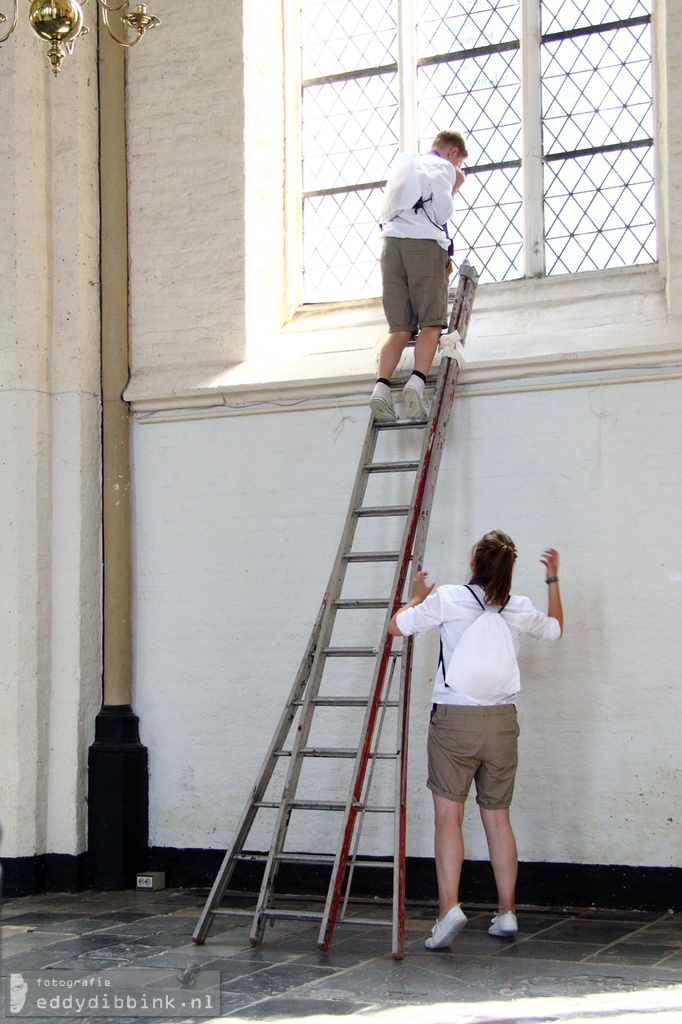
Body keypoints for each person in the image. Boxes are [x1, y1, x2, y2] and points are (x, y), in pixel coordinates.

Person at [388, 530, 563, 949]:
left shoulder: (449, 597)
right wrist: (553, 580)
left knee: (449, 818)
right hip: (502, 723)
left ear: (474, 563)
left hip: (454, 721)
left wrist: (415, 595)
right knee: (498, 818)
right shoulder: (516, 607)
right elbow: (556, 629)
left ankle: (449, 911)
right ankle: (506, 912)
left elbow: (396, 628)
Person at [370, 129, 468, 423]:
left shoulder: (405, 161)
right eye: (459, 163)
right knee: (431, 322)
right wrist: (455, 184)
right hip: (423, 247)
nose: (458, 169)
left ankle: (381, 388)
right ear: (453, 153)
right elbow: (441, 214)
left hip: (391, 247)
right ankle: (416, 382)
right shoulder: (443, 168)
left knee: (399, 327)